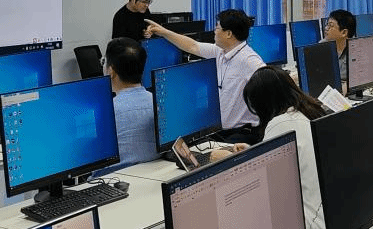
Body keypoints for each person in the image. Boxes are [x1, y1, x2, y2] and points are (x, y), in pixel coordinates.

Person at [209, 67, 328, 229]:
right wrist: (252, 153)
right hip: (327, 219)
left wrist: (229, 160)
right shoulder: (309, 112)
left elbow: (259, 184)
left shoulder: (280, 124)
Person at [144, 9, 264, 143]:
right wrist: (163, 32)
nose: (214, 31)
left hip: (241, 135)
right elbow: (192, 46)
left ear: (229, 34)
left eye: (217, 27)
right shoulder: (220, 52)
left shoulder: (250, 60)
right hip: (221, 131)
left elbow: (272, 85)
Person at [95, 37, 158, 175]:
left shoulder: (103, 115)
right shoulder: (158, 105)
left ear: (111, 71)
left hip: (111, 182)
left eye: (104, 62)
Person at [320, 9, 356, 86]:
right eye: (327, 25)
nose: (326, 28)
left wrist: (348, 86)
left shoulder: (357, 50)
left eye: (331, 26)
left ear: (344, 32)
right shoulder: (321, 46)